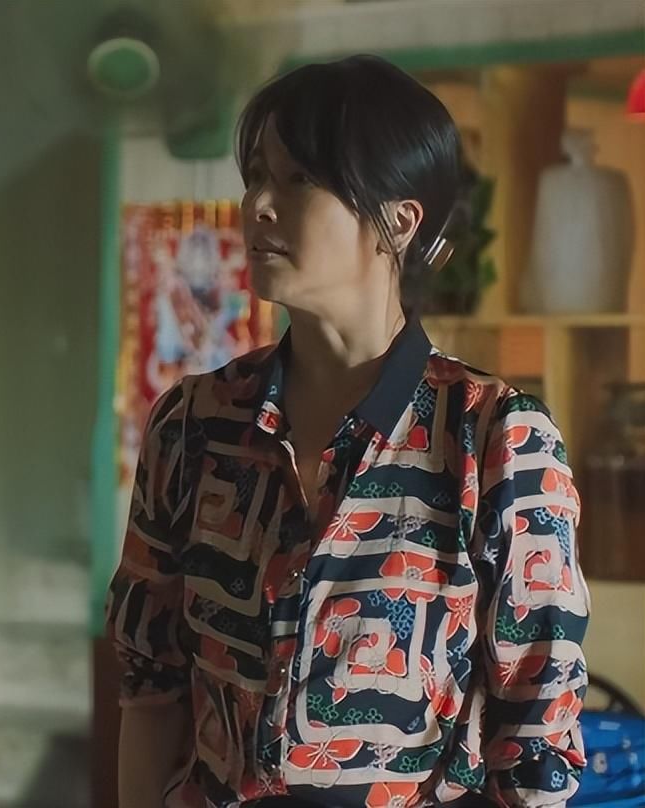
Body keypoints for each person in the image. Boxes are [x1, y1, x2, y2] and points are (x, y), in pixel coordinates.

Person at [105, 55, 590, 808]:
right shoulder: (195, 423)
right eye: (257, 176)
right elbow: (150, 685)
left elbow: (534, 744)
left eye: (300, 179)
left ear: (398, 221)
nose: (260, 204)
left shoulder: (496, 439)